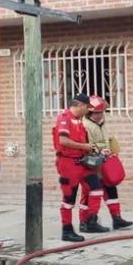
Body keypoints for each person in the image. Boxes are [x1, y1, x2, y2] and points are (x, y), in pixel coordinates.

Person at [52, 94, 109, 242]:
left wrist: (97, 150)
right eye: (87, 108)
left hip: (82, 162)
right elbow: (63, 141)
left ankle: (89, 221)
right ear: (80, 105)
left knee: (95, 189)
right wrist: (84, 146)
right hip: (68, 163)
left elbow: (85, 142)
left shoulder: (78, 121)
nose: (88, 111)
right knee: (69, 198)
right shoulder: (64, 118)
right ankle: (67, 230)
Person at [79, 95, 133, 231]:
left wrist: (110, 146)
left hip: (103, 163)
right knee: (90, 193)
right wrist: (102, 148)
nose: (99, 115)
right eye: (96, 112)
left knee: (111, 188)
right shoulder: (85, 125)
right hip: (91, 164)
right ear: (89, 112)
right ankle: (86, 222)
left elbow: (104, 141)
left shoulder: (102, 124)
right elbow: (87, 145)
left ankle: (117, 218)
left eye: (101, 112)